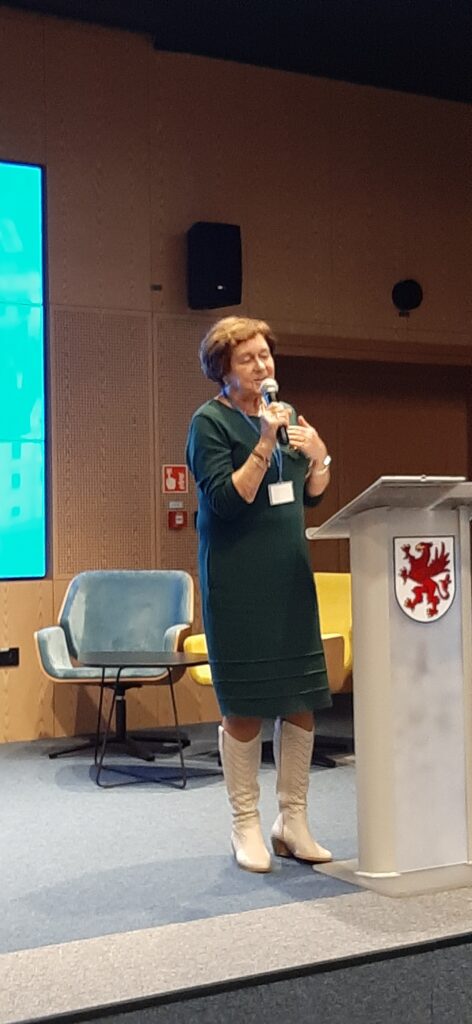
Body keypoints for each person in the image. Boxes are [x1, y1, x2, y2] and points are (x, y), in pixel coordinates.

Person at [186, 316, 333, 873]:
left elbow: (311, 495)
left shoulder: (286, 412)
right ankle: (245, 823)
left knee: (301, 701)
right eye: (247, 358)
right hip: (238, 581)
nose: (261, 365)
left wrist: (319, 455)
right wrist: (266, 441)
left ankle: (292, 821)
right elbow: (227, 500)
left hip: (289, 576)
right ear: (222, 369)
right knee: (245, 706)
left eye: (265, 355)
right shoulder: (209, 422)